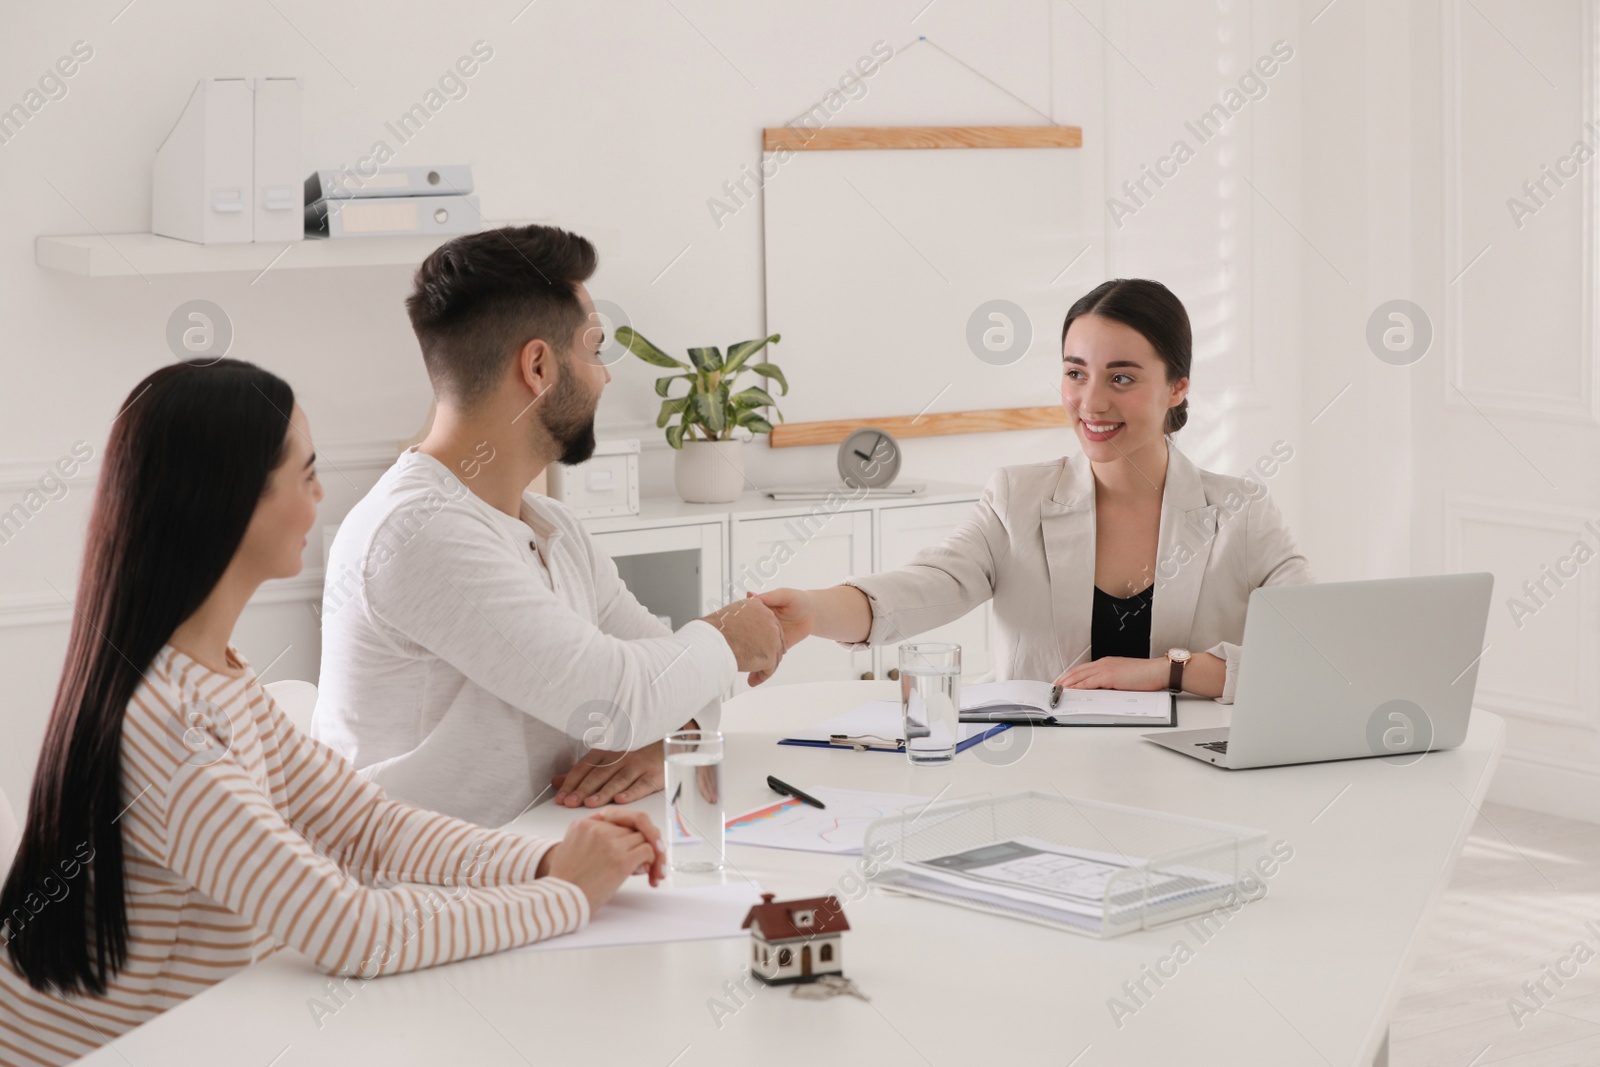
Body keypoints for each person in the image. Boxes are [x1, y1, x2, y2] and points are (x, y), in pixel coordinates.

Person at [0, 361, 663, 1067]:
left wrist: (545, 858)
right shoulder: (170, 726)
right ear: (230, 501)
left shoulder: (215, 675)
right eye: (307, 472)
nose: (322, 493)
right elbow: (353, 931)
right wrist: (566, 894)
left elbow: (367, 825)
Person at [311, 224, 783, 827]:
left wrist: (676, 723)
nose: (605, 377)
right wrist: (727, 638)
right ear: (537, 365)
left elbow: (657, 670)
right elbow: (614, 701)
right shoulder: (419, 531)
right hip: (421, 893)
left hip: (537, 857)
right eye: (593, 350)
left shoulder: (550, 526)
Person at [755, 278, 1313, 702]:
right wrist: (811, 610)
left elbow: (1315, 653)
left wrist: (1173, 670)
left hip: (1195, 777)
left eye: (1122, 378)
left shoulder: (1240, 514)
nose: (1091, 403)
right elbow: (926, 586)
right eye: (1075, 373)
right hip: (1045, 771)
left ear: (1177, 387)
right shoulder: (1017, 498)